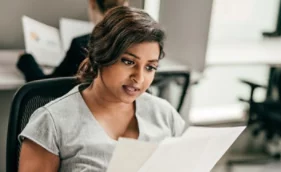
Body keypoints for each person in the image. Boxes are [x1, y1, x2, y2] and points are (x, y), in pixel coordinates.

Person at [18, 6, 186, 172]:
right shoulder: (51, 124)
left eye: (150, 67)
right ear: (101, 56)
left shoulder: (165, 115)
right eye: (128, 62)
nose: (139, 78)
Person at [17, 0, 129, 82]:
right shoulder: (131, 42)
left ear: (92, 3)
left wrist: (26, 60)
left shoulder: (83, 44)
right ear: (125, 4)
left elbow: (45, 86)